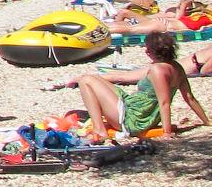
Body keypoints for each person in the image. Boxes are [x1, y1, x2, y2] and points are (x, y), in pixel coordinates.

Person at [74, 34, 208, 139]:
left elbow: (164, 102)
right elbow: (190, 98)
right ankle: (99, 124)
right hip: (140, 113)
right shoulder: (177, 67)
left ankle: (99, 129)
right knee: (93, 79)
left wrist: (167, 132)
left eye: (147, 48)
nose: (145, 51)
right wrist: (206, 121)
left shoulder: (157, 70)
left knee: (85, 80)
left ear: (153, 51)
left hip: (133, 119)